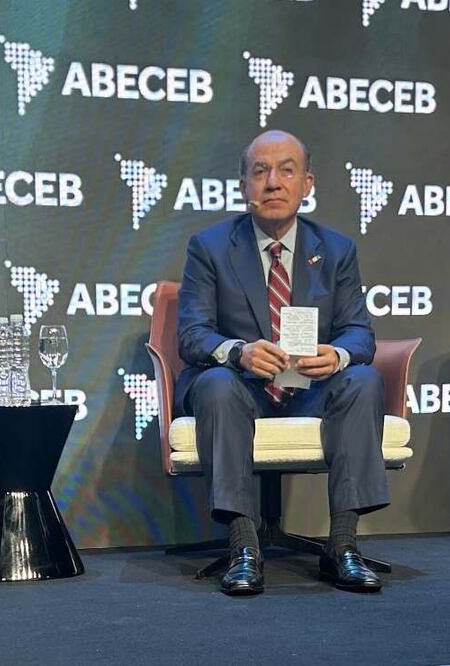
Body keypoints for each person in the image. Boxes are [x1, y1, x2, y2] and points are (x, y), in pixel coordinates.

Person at [176, 129, 389, 595]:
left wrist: (337, 355)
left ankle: (344, 546)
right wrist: (238, 352)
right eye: (260, 171)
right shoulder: (209, 247)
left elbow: (360, 333)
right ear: (243, 185)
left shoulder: (336, 250)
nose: (273, 182)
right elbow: (191, 335)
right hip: (240, 391)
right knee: (213, 383)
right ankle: (243, 546)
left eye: (286, 170)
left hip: (307, 392)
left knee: (364, 378)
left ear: (307, 183)